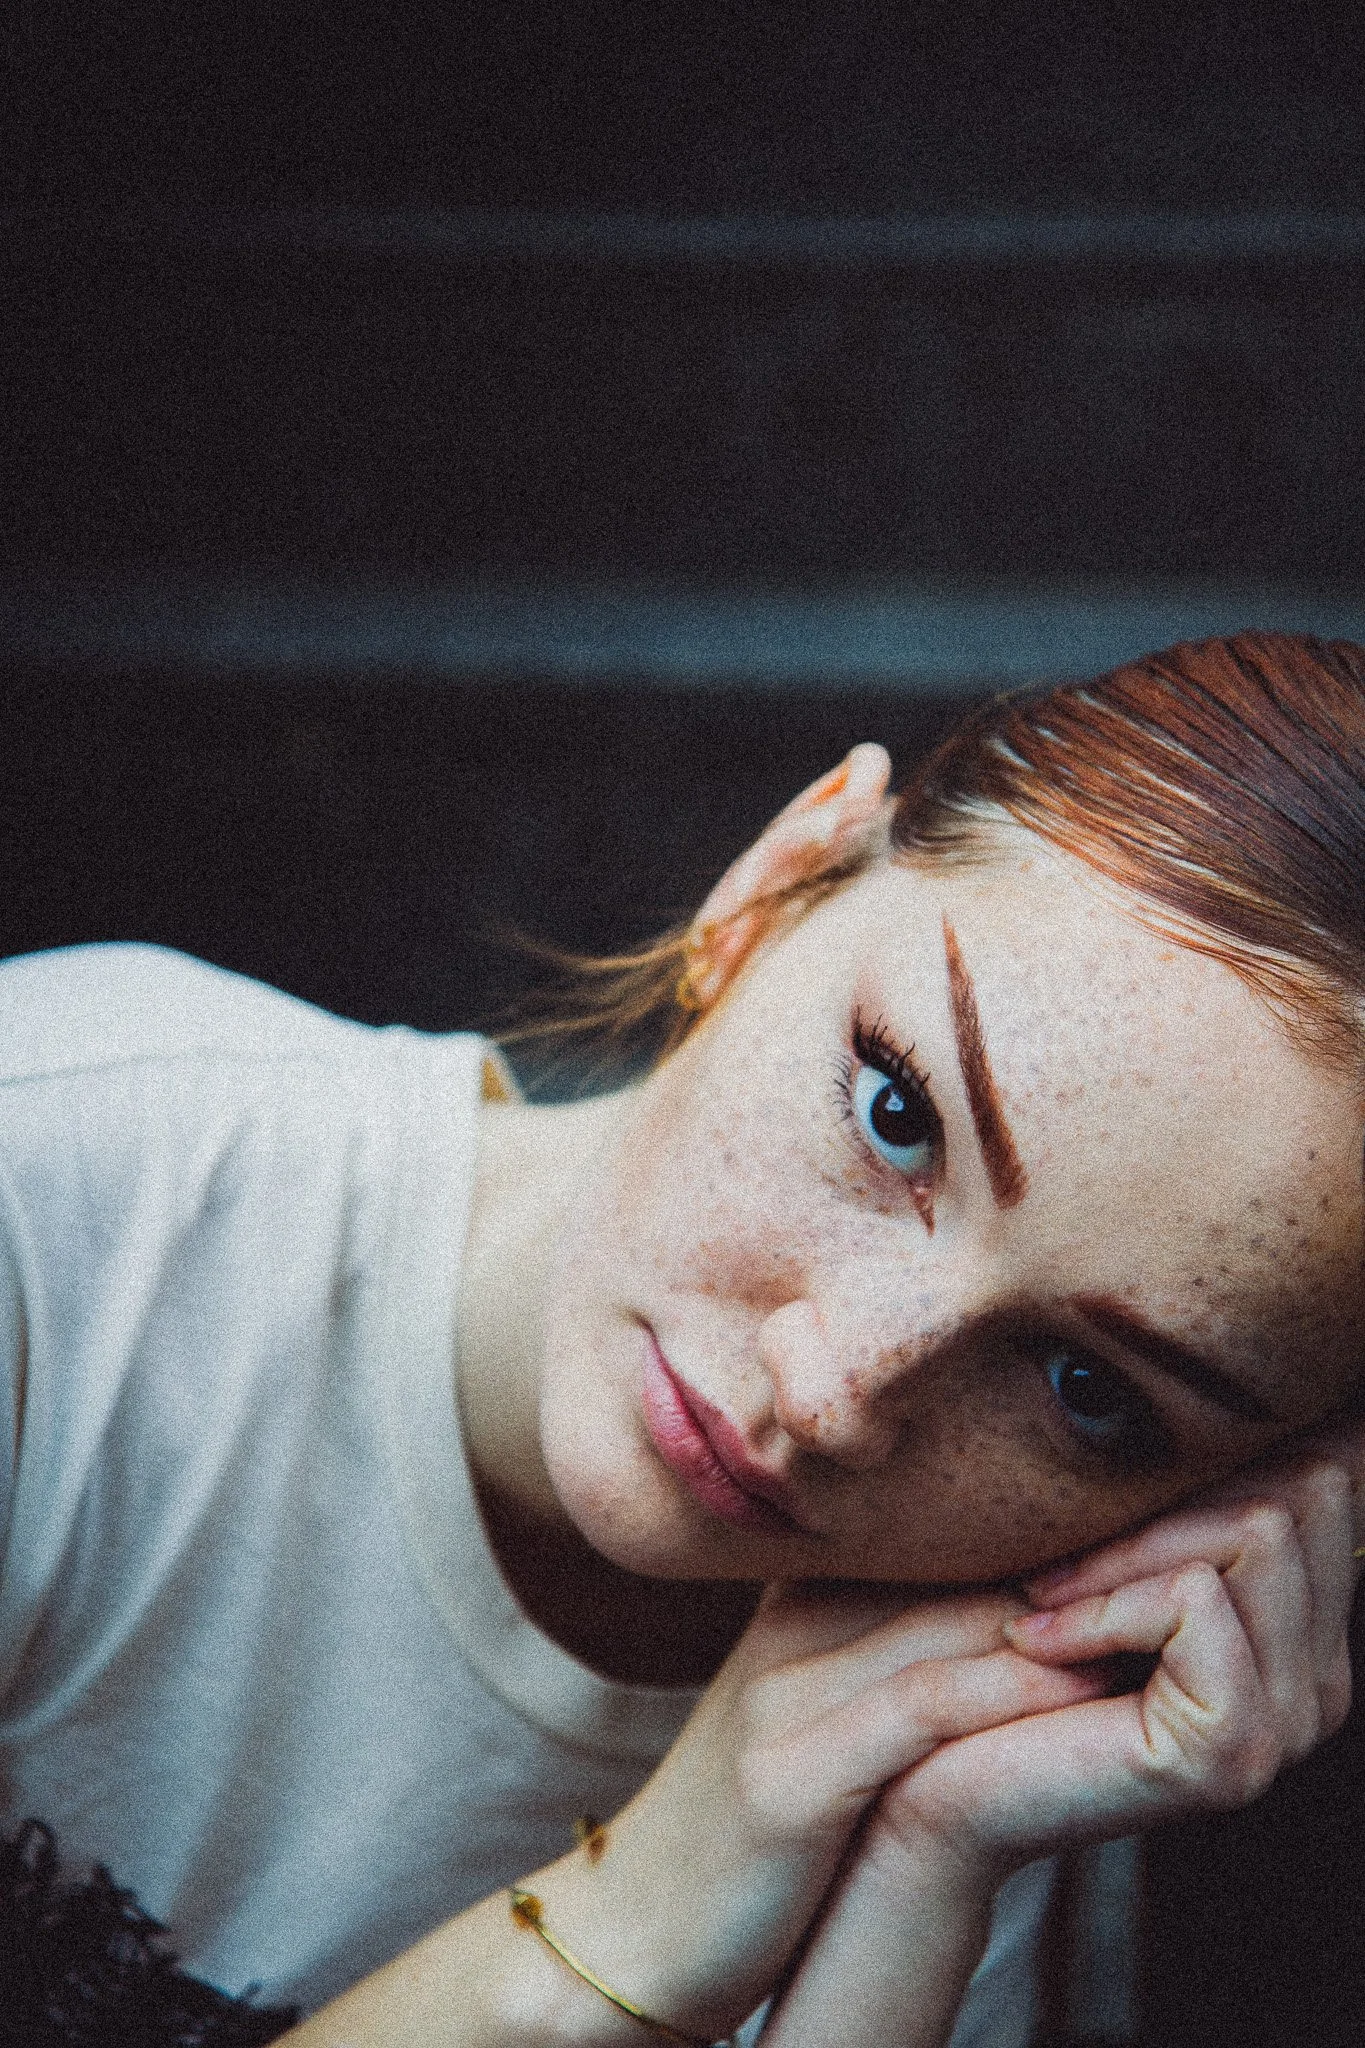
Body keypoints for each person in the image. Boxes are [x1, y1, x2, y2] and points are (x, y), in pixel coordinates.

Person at [2, 629, 1364, 2047]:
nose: (834, 1387)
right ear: (772, 887)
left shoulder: (992, 1735)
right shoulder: (56, 1195)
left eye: (1092, 1393)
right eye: (896, 1111)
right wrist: (612, 1939)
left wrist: (912, 1873)